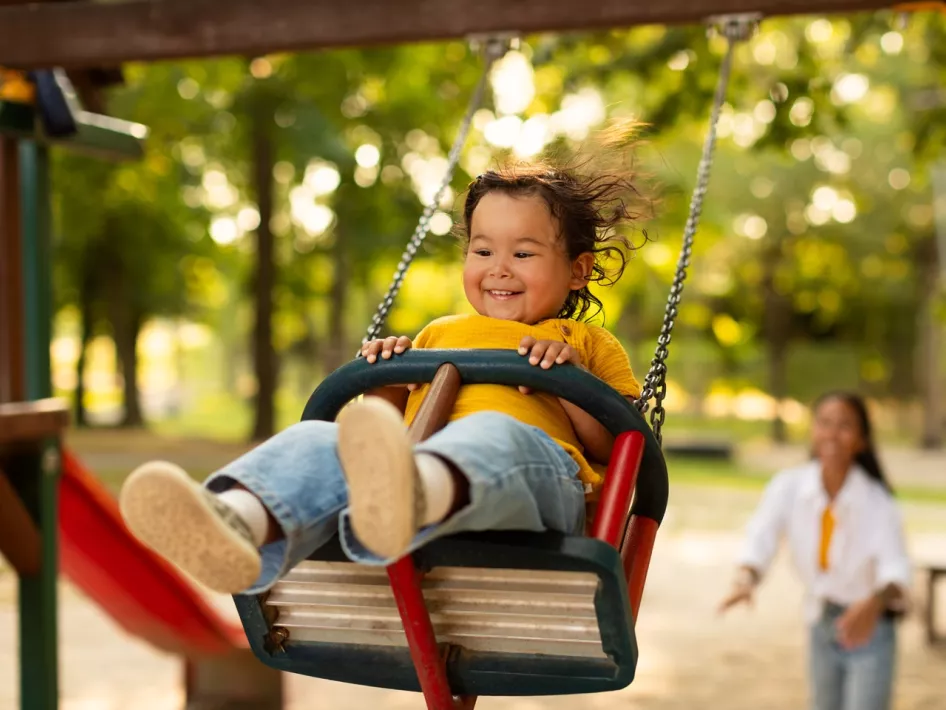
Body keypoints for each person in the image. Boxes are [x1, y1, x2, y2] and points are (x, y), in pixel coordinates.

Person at [119, 155, 649, 597]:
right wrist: (389, 376)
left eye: (524, 253)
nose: (499, 267)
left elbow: (621, 447)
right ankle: (236, 522)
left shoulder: (587, 343)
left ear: (578, 270)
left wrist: (572, 377)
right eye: (483, 250)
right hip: (415, 474)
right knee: (316, 439)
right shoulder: (439, 334)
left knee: (490, 435)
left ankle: (414, 493)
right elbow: (381, 435)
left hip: (543, 491)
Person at [718, 392, 912, 710]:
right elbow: (761, 536)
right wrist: (746, 578)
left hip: (869, 628)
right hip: (822, 621)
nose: (832, 434)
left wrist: (873, 605)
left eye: (845, 425)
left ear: (861, 440)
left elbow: (896, 567)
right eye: (824, 423)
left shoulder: (877, 501)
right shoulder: (789, 486)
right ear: (813, 431)